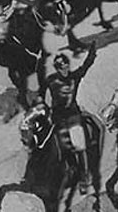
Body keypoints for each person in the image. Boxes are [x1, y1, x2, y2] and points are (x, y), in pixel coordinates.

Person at [39, 44, 98, 192]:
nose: (64, 68)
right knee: (63, 149)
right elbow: (41, 93)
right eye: (60, 67)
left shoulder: (74, 76)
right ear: (57, 68)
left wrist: (92, 53)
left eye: (65, 65)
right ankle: (69, 172)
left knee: (80, 146)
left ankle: (84, 178)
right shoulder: (51, 80)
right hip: (59, 119)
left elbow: (86, 66)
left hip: (73, 117)